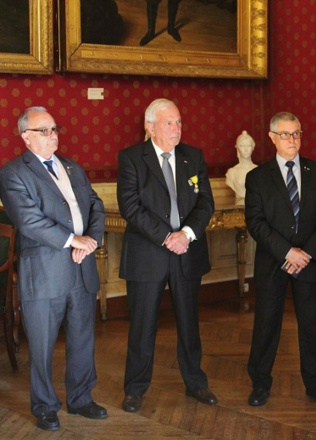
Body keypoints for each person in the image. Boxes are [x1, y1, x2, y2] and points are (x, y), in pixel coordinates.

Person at [0, 107, 107, 431]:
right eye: (44, 130)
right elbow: (29, 221)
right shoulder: (13, 173)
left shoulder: (72, 168)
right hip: (44, 273)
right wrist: (74, 241)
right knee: (43, 344)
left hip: (81, 267)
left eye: (54, 128)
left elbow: (96, 205)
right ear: (26, 137)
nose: (53, 135)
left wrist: (90, 241)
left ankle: (81, 398)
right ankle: (45, 406)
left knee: (83, 337)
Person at [117, 98, 217, 413]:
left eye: (179, 122)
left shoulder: (193, 157)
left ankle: (196, 383)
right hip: (148, 254)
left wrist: (185, 235)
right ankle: (135, 389)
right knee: (143, 325)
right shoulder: (132, 158)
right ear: (150, 127)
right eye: (168, 123)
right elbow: (130, 206)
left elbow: (206, 203)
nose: (176, 129)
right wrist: (166, 237)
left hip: (186, 252)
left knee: (189, 323)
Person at [244, 112, 316, 407]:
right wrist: (287, 252)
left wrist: (305, 253)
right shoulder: (257, 177)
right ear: (272, 138)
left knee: (311, 326)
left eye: (296, 133)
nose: (292, 140)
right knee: (266, 325)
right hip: (273, 262)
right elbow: (256, 223)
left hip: (308, 263)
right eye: (285, 134)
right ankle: (260, 384)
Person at [225, 130, 257, 205]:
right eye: (242, 146)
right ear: (237, 148)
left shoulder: (258, 171)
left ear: (252, 147)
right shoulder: (232, 172)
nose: (245, 149)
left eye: (248, 145)